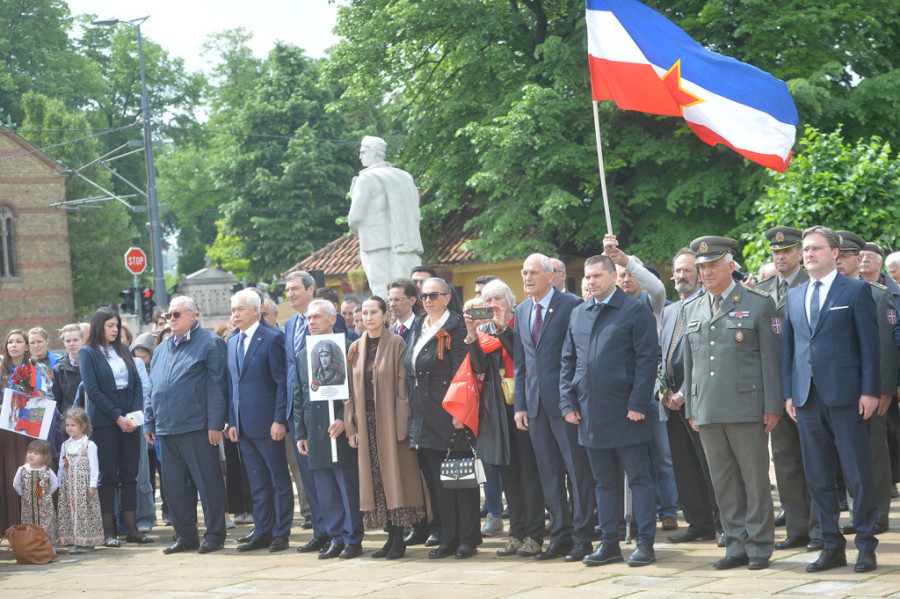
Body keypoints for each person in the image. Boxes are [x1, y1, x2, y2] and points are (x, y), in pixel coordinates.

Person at [782, 225, 880, 574]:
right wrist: (789, 393)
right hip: (806, 397)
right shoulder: (794, 295)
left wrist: (870, 390)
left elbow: (870, 346)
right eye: (806, 249)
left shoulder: (855, 290)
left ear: (835, 253)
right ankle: (831, 546)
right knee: (818, 476)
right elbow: (790, 350)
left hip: (847, 395)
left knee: (857, 473)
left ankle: (866, 545)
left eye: (816, 248)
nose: (808, 254)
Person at [682, 236, 781, 571]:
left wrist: (772, 406)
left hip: (747, 408)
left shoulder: (758, 303)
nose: (706, 273)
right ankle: (736, 544)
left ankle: (759, 545)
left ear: (730, 266)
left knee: (754, 481)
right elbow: (691, 365)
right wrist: (692, 407)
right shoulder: (692, 307)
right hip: (708, 410)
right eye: (702, 267)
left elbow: (771, 360)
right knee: (723, 483)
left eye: (712, 266)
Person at [560, 254, 658, 567]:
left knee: (639, 478)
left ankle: (645, 543)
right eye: (587, 277)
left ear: (613, 277)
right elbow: (569, 361)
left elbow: (647, 359)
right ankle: (609, 544)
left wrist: (638, 403)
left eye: (596, 276)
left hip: (627, 411)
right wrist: (568, 403)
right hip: (590, 412)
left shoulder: (635, 310)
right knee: (603, 482)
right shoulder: (579, 312)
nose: (590, 282)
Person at [513, 253, 593, 563]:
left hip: (566, 405)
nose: (527, 278)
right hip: (535, 407)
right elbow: (521, 364)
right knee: (549, 474)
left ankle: (583, 537)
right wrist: (521, 405)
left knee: (577, 472)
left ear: (550, 275)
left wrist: (572, 398)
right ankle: (560, 535)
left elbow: (579, 356)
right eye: (524, 272)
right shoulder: (522, 310)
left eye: (533, 272)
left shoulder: (571, 304)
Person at [146, 295, 229, 555]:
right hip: (166, 428)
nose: (171, 319)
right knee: (174, 488)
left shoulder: (210, 342)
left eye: (176, 314)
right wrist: (149, 421)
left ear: (194, 315)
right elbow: (153, 388)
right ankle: (185, 536)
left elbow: (218, 386)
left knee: (208, 484)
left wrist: (215, 423)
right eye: (169, 315)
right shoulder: (162, 348)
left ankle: (215, 535)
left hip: (197, 427)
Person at [604, 235, 677, 532]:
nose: (626, 280)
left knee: (662, 454)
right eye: (620, 275)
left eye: (630, 274)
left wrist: (626, 261)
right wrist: (608, 257)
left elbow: (658, 288)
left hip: (650, 390)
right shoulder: (612, 308)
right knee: (634, 459)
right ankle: (637, 514)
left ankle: (669, 509)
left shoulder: (651, 303)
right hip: (623, 392)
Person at [755, 226, 820, 552]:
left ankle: (820, 529)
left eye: (787, 251)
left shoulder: (813, 284)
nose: (780, 256)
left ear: (799, 253)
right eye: (776, 252)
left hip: (808, 386)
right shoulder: (762, 291)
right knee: (785, 462)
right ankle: (797, 528)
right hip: (776, 389)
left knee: (817, 461)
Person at [344, 296, 424, 559]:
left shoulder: (397, 343)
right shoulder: (356, 347)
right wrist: (351, 426)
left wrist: (402, 424)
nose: (368, 317)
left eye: (373, 312)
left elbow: (403, 387)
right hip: (366, 421)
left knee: (395, 477)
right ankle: (389, 537)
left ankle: (399, 538)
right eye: (364, 313)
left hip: (390, 421)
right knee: (376, 480)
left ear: (384, 315)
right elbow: (349, 390)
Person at [471, 278, 546, 557]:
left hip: (524, 405)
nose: (493, 305)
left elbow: (522, 356)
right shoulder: (484, 330)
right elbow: (477, 367)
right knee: (509, 474)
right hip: (498, 408)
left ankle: (535, 535)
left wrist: (503, 328)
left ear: (510, 302)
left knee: (529, 474)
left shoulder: (521, 323)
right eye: (488, 301)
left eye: (498, 300)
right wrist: (471, 334)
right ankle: (517, 532)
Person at [403, 277, 473, 558]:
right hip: (423, 412)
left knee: (460, 479)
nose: (428, 300)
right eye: (424, 296)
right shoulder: (419, 325)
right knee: (437, 481)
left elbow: (462, 370)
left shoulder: (456, 325)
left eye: (434, 295)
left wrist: (460, 410)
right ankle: (447, 537)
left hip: (449, 411)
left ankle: (467, 539)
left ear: (447, 297)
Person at [832, 232, 894, 537]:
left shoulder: (877, 294)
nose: (839, 262)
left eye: (845, 256)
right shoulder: (829, 293)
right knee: (847, 455)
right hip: (839, 389)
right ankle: (859, 511)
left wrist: (883, 389)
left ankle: (879, 513)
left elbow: (885, 348)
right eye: (837, 256)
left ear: (859, 259)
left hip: (868, 389)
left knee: (873, 452)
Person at [657, 248, 720, 545]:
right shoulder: (670, 311)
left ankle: (723, 523)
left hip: (700, 399)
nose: (681, 276)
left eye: (687, 270)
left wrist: (683, 392)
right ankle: (698, 523)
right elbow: (660, 355)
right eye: (678, 271)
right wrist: (660, 390)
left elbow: (707, 356)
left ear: (699, 276)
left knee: (710, 465)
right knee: (683, 467)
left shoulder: (708, 305)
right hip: (670, 404)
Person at [79, 307, 152, 547]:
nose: (114, 330)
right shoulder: (88, 352)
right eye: (110, 325)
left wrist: (132, 417)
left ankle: (132, 529)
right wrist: (117, 417)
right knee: (107, 476)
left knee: (129, 475)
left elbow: (137, 385)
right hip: (104, 420)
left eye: (117, 325)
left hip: (129, 418)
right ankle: (109, 532)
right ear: (98, 326)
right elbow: (93, 390)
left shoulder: (124, 350)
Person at [226, 289, 293, 553]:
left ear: (255, 310)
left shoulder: (272, 338)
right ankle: (262, 531)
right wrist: (232, 421)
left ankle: (281, 533)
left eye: (240, 309)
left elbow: (281, 383)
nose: (235, 314)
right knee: (257, 482)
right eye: (233, 310)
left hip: (268, 424)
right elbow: (233, 385)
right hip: (243, 426)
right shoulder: (232, 341)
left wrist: (279, 419)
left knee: (278, 480)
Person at [295, 300, 362, 560]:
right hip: (316, 429)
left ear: (332, 319)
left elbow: (358, 391)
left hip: (341, 429)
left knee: (347, 486)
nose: (311, 322)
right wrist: (301, 433)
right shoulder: (303, 354)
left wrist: (346, 419)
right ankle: (335, 537)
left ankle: (352, 538)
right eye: (309, 318)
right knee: (325, 489)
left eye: (317, 317)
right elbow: (299, 395)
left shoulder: (349, 348)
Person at [348, 135, 424, 297]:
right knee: (408, 290)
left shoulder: (366, 178)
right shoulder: (405, 177)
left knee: (382, 290)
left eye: (363, 152)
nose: (360, 156)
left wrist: (357, 229)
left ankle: (387, 314)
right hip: (406, 242)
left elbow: (355, 217)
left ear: (374, 152)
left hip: (375, 242)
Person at [283, 270, 324, 550]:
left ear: (311, 289)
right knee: (306, 475)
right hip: (296, 409)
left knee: (324, 475)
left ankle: (337, 530)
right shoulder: (289, 324)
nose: (290, 294)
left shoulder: (327, 318)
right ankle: (320, 531)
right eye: (287, 290)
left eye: (295, 288)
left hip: (321, 408)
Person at [0, 329, 53, 532]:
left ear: (27, 346)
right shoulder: (1, 370)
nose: (13, 345)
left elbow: (50, 395)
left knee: (33, 474)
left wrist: (39, 395)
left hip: (32, 430)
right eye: (10, 342)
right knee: (10, 475)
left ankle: (38, 529)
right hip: (7, 430)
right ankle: (12, 526)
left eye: (18, 341)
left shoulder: (39, 368)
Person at [58, 407, 103, 553]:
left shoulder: (89, 445)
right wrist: (59, 483)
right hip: (69, 485)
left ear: (83, 426)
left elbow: (94, 467)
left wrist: (92, 485)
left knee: (85, 511)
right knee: (70, 511)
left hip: (83, 485)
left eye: (73, 425)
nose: (69, 428)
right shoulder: (65, 445)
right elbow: (62, 465)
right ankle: (75, 540)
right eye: (67, 425)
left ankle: (87, 541)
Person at [13, 439, 59, 543]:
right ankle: (32, 546)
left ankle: (48, 545)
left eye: (36, 453)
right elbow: (16, 484)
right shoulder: (22, 469)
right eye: (30, 452)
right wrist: (22, 494)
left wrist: (47, 495)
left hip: (45, 506)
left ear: (44, 457)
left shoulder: (47, 470)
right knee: (30, 524)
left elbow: (54, 484)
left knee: (46, 524)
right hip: (28, 505)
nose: (31, 455)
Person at [52, 323, 85, 425]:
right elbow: (56, 400)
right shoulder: (58, 369)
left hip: (92, 419)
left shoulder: (93, 364)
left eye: (75, 340)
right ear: (64, 343)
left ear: (83, 340)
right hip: (69, 422)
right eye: (68, 341)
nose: (72, 344)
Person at [388, 278, 422, 344]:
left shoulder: (423, 328)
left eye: (397, 299)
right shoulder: (388, 334)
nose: (392, 304)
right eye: (390, 300)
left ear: (412, 301)